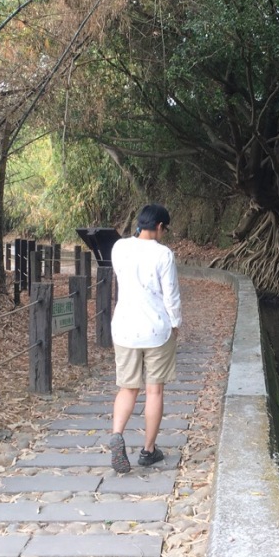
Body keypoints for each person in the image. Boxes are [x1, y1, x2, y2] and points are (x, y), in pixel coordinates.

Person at [106, 203, 182, 474]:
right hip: (156, 329)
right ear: (160, 226)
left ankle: (117, 434)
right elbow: (171, 294)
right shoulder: (163, 254)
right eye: (165, 229)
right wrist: (176, 323)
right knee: (154, 390)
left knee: (127, 388)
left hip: (125, 328)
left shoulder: (119, 248)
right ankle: (148, 451)